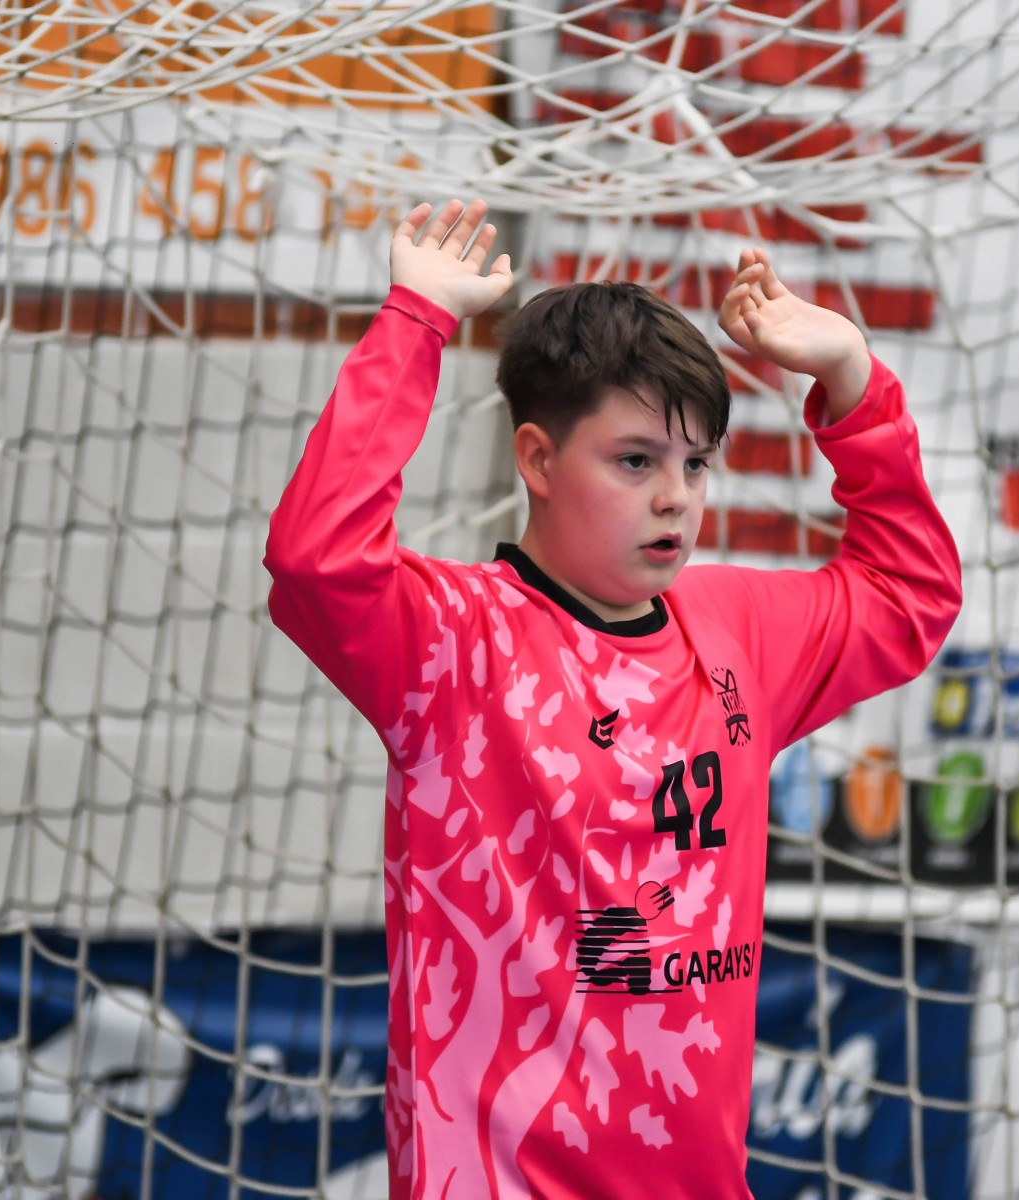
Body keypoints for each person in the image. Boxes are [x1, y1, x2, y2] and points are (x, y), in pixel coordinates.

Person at [264, 197, 961, 1198]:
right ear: (538, 460)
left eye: (695, 463)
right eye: (636, 461)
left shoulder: (736, 629)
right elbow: (316, 559)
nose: (676, 495)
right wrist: (417, 318)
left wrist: (851, 380)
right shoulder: (453, 641)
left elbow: (909, 593)